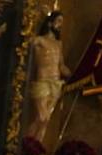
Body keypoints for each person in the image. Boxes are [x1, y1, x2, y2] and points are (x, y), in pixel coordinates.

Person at [25, 11, 71, 142]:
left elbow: (61, 65)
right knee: (41, 117)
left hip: (56, 82)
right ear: (50, 23)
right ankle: (26, 145)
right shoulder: (40, 40)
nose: (60, 25)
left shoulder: (58, 44)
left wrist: (74, 75)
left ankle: (35, 148)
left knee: (46, 120)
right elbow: (26, 43)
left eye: (62, 22)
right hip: (42, 81)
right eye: (58, 21)